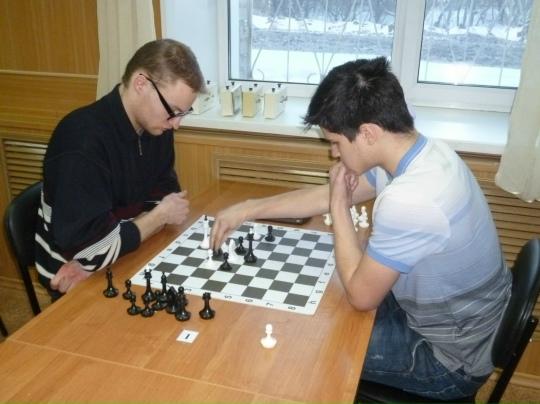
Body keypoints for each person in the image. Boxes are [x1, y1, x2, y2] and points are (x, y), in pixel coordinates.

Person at [210, 57, 512, 400]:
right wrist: (249, 208)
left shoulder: (412, 198)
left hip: (450, 360)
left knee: (300, 344)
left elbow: (360, 296)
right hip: (464, 327)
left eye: (336, 143)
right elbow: (325, 196)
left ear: (368, 133)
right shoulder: (419, 153)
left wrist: (340, 205)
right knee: (322, 303)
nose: (333, 155)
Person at [35, 39, 206, 300]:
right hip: (73, 280)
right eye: (173, 111)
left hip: (121, 258)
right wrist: (156, 218)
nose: (176, 124)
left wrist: (113, 244)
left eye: (183, 112)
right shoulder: (81, 142)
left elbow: (163, 200)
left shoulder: (156, 128)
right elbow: (91, 249)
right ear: (141, 84)